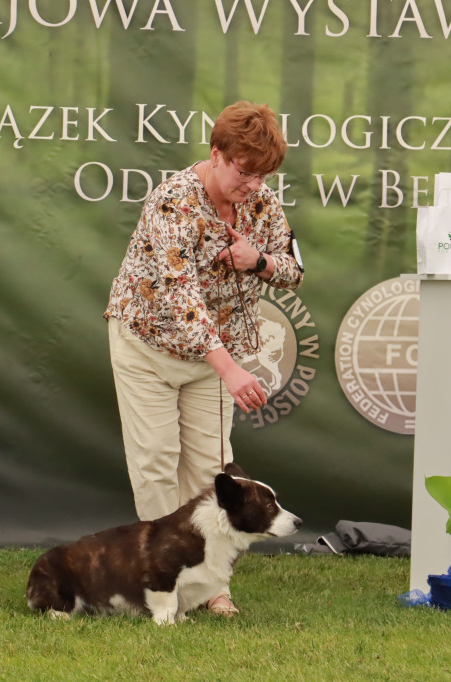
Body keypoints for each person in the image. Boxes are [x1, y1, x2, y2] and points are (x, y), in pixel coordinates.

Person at [103, 101, 304, 616]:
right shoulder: (171, 202)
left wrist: (256, 260)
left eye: (264, 176)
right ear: (216, 155)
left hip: (216, 357)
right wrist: (231, 369)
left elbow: (293, 269)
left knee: (211, 473)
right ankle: (163, 583)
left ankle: (213, 588)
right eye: (245, 172)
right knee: (154, 467)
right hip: (149, 344)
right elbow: (179, 299)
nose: (254, 185)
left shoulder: (263, 203)